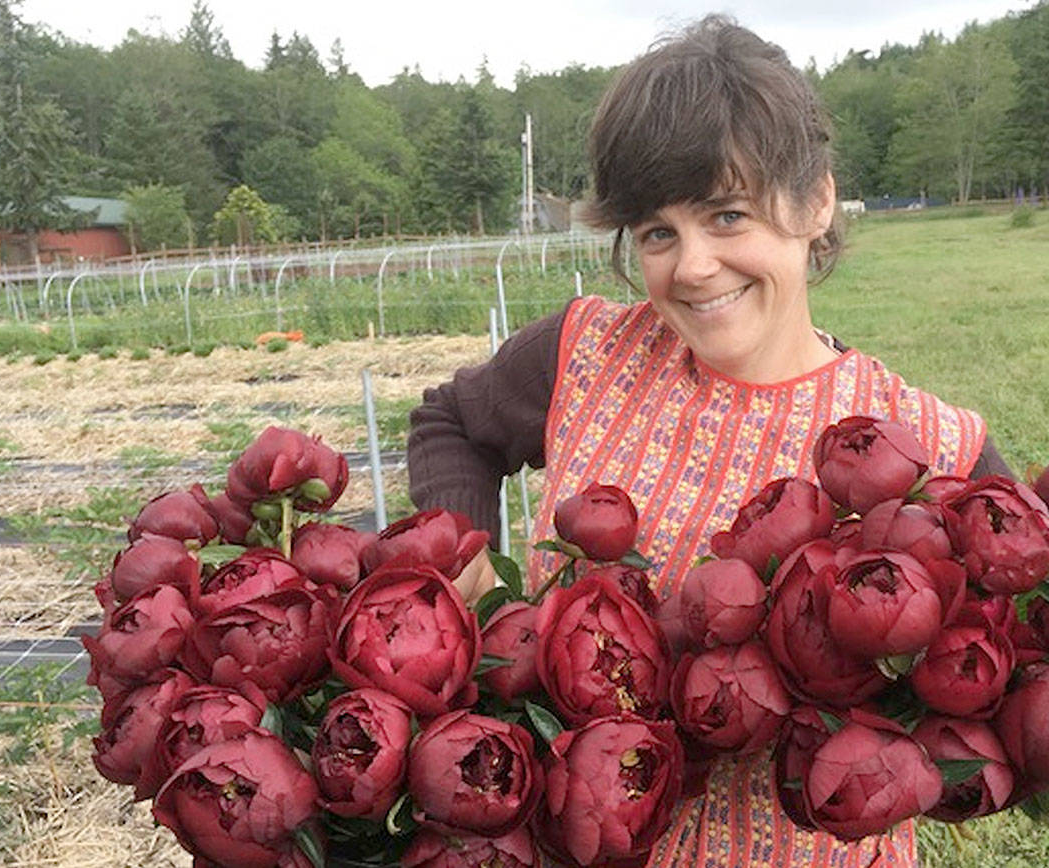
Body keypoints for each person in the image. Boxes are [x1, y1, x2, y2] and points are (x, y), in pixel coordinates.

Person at [408, 16, 1010, 868]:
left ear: (816, 201)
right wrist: (455, 555)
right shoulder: (588, 355)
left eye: (727, 215)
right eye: (657, 231)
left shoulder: (923, 448)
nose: (691, 266)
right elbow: (450, 421)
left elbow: (1009, 659)